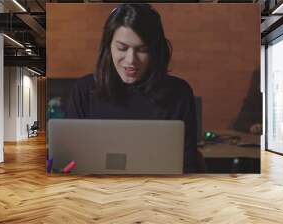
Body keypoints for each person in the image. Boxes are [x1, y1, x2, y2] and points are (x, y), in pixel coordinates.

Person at [66, 3, 199, 173]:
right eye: (122, 48)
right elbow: (70, 163)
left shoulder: (178, 93)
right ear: (108, 48)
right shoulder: (83, 91)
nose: (131, 60)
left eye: (142, 50)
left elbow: (187, 167)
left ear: (155, 51)